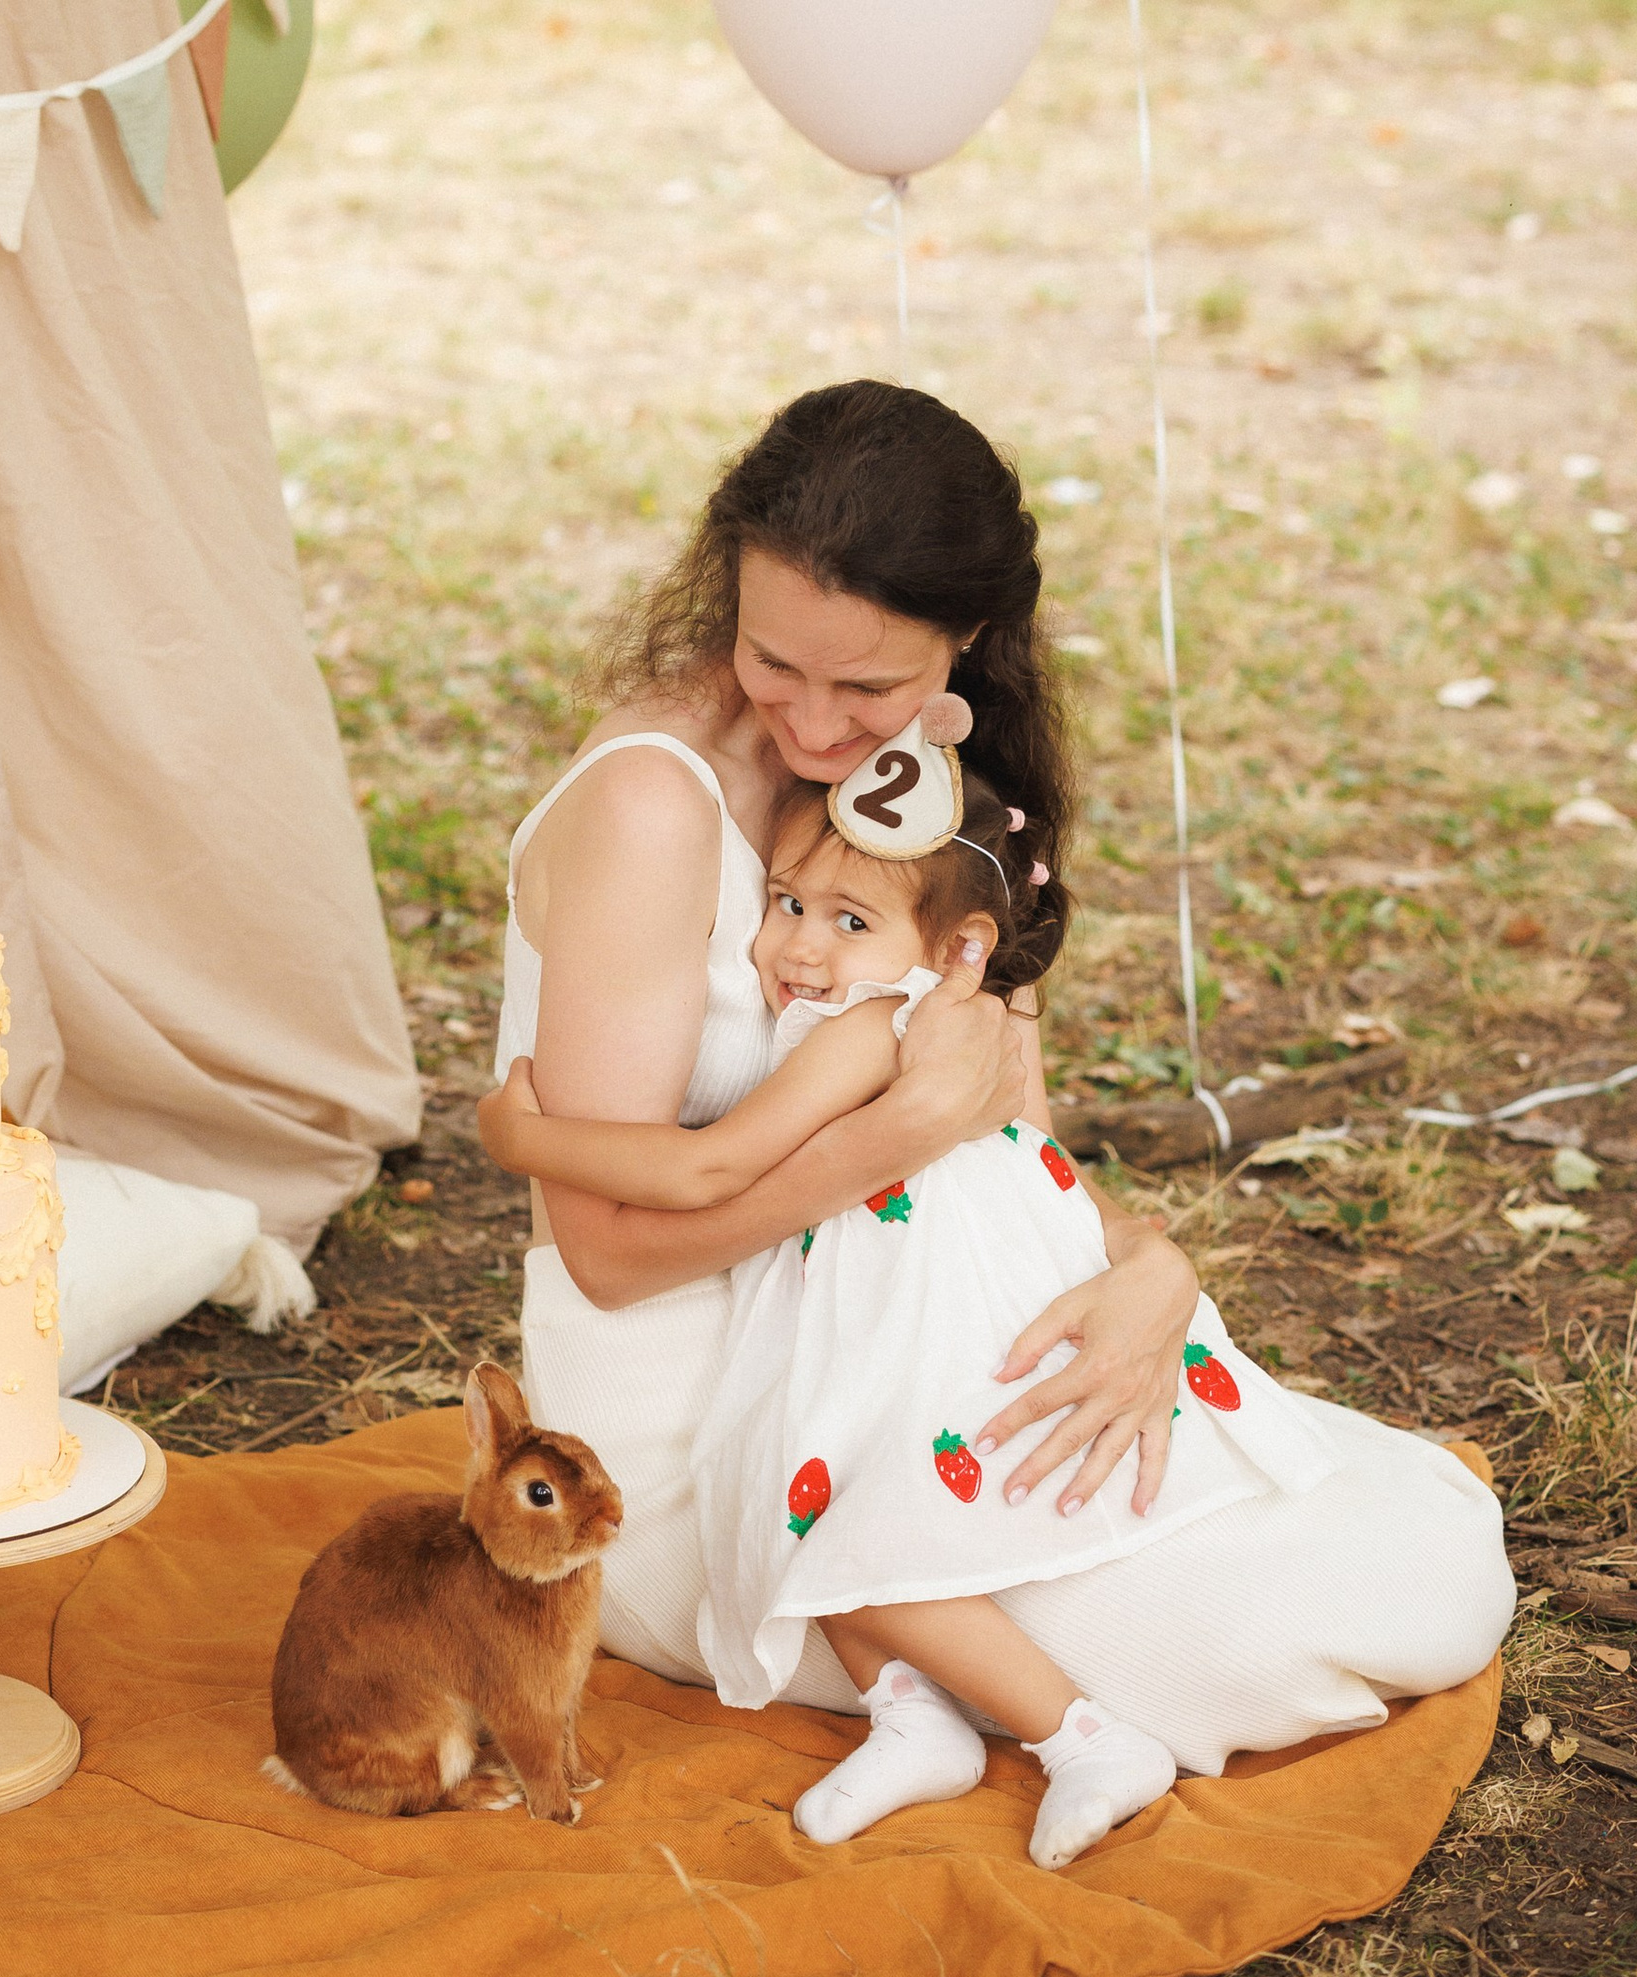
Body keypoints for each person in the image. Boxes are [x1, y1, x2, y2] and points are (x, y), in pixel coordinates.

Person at [479, 380, 1514, 1800]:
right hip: (697, 1433)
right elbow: (601, 1251)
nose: (820, 725)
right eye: (775, 660)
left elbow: (1001, 1133)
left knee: (1407, 1543)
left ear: (965, 639)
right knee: (1286, 1628)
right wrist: (892, 1134)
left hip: (897, 1334)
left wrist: (1152, 1266)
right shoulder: (656, 808)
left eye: (872, 684)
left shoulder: (930, 798)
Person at [487, 747, 1349, 1857]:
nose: (799, 942)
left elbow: (708, 1170)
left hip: (906, 1307)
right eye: (787, 902)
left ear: (958, 949)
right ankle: (912, 1712)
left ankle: (1083, 1738)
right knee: (789, 1483)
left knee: (838, 1502)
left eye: (849, 920)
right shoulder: (932, 1007)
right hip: (874, 1291)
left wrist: (523, 1136)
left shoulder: (864, 1027)